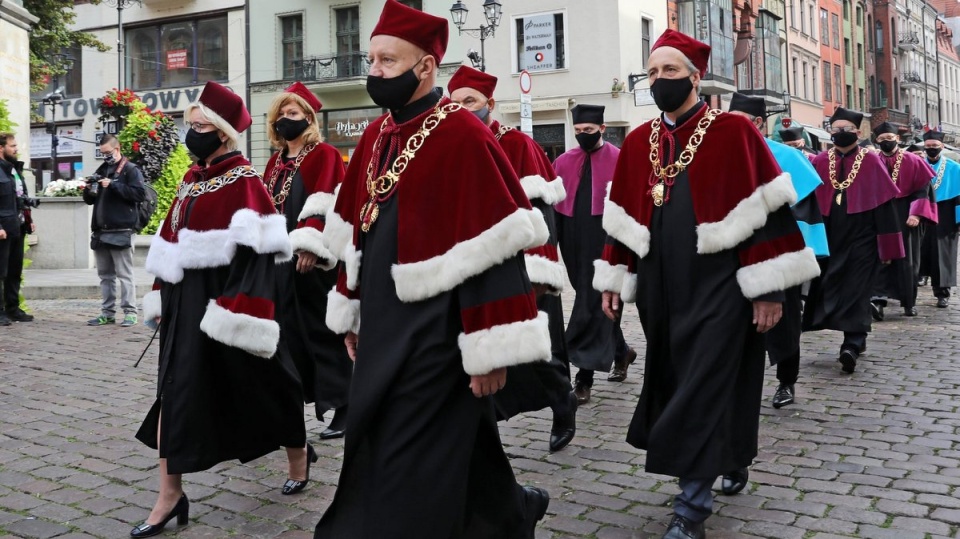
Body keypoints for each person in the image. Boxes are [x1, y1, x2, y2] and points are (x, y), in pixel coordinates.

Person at [314, 3, 552, 538]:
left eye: (387, 60)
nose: (374, 70)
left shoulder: (465, 136)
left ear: (425, 68)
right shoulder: (376, 137)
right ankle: (511, 512)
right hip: (382, 323)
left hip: (439, 335)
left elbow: (495, 253)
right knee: (443, 443)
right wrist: (350, 308)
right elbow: (357, 230)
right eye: (370, 59)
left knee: (407, 452)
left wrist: (489, 350)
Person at [594, 31, 819, 538]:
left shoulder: (733, 132)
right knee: (683, 376)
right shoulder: (636, 142)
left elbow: (767, 216)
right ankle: (728, 454)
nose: (659, 82)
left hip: (721, 285)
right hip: (661, 288)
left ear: (696, 78)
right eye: (651, 73)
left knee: (705, 378)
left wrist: (768, 289)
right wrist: (614, 275)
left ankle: (691, 507)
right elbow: (623, 219)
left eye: (669, 72)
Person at [132, 82, 308, 537]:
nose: (192, 133)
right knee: (174, 389)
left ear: (225, 133)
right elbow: (169, 240)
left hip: (225, 306)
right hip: (182, 305)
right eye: (190, 125)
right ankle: (170, 494)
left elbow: (261, 255)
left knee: (270, 383)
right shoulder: (190, 180)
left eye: (200, 125)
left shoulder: (245, 181)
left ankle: (298, 453)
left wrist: (235, 313)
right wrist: (160, 291)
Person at [448, 64, 577, 453]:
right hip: (477, 270)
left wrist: (537, 272)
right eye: (454, 105)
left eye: (469, 102)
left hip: (523, 269)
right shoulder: (452, 147)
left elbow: (542, 216)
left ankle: (562, 401)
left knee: (538, 352)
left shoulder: (518, 145)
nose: (462, 110)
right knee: (482, 351)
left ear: (490, 103)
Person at [726, 93, 828, 415]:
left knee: (785, 323)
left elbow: (807, 213)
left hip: (779, 253)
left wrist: (807, 257)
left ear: (756, 123)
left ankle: (787, 380)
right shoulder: (719, 157)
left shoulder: (787, 159)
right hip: (733, 257)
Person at [262, 81, 352, 442]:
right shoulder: (275, 161)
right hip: (279, 259)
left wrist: (310, 244)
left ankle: (346, 403)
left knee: (322, 331)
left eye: (294, 113)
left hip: (312, 261)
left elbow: (326, 200)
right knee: (288, 332)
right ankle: (292, 400)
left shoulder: (324, 154)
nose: (286, 119)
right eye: (281, 114)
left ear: (309, 118)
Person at [804, 107, 904, 374]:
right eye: (836, 130)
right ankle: (851, 336)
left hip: (864, 239)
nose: (841, 134)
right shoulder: (820, 161)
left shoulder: (871, 162)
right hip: (829, 238)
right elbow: (808, 203)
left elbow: (885, 207)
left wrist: (888, 246)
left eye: (846, 130)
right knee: (831, 285)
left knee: (858, 289)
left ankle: (852, 342)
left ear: (858, 133)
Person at [554, 104, 635, 404]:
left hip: (606, 239)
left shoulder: (619, 158)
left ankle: (583, 378)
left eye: (588, 131)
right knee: (590, 299)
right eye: (577, 132)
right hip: (574, 241)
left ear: (602, 128)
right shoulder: (563, 161)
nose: (582, 136)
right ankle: (621, 352)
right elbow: (555, 207)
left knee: (591, 303)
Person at [870, 123, 937, 319]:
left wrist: (916, 214)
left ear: (897, 139)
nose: (886, 142)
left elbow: (922, 188)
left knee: (908, 261)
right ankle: (878, 299)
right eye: (882, 139)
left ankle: (909, 302)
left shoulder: (912, 160)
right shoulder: (872, 161)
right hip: (880, 214)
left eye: (889, 138)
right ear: (876, 141)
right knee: (880, 258)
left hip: (906, 214)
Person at [82, 134, 146, 327]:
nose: (105, 157)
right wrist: (88, 188)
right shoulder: (103, 169)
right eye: (102, 153)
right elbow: (90, 200)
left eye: (108, 153)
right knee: (105, 276)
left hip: (122, 230)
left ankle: (130, 312)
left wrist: (114, 185)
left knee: (124, 274)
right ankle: (107, 313)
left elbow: (139, 194)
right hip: (101, 231)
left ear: (117, 149)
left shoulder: (130, 169)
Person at [920, 130, 960, 307]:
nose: (931, 149)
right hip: (921, 210)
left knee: (942, 253)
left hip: (946, 213)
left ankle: (942, 292)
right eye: (928, 147)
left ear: (941, 147)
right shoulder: (917, 164)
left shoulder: (954, 167)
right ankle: (912, 287)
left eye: (934, 147)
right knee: (920, 250)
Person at [0, 132, 35, 326]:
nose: (16, 149)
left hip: (18, 226)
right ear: (1, 148)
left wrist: (29, 219)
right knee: (0, 272)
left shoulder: (15, 170)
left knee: (14, 270)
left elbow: (20, 198)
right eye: (12, 146)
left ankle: (13, 308)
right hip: (3, 229)